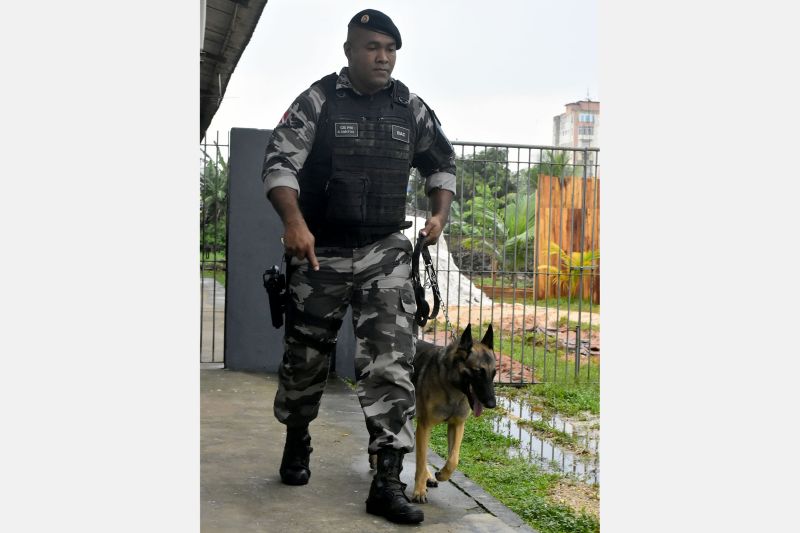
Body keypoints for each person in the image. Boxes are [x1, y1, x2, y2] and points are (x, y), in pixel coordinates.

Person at [261, 8, 456, 525]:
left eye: (390, 48)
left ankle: (387, 480)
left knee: (392, 362)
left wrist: (438, 215)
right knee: (305, 361)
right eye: (372, 46)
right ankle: (298, 436)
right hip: (318, 250)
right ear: (350, 50)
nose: (383, 57)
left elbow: (441, 163)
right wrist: (294, 222)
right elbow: (280, 163)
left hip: (384, 252)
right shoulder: (319, 101)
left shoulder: (409, 107)